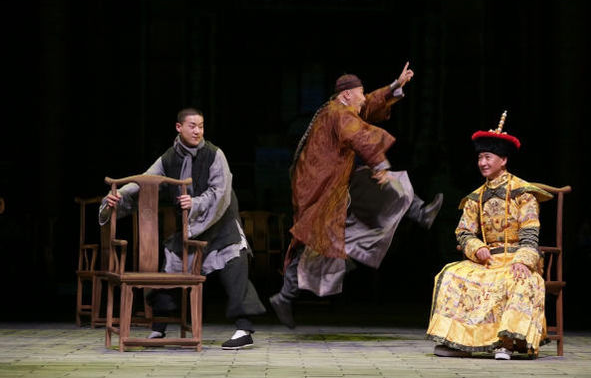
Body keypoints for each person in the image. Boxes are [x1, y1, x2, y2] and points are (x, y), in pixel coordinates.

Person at [269, 62, 444, 328]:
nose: (363, 98)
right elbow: (359, 135)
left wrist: (395, 86)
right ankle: (285, 296)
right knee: (315, 242)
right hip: (322, 188)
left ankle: (419, 211)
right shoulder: (338, 113)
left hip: (338, 182)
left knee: (380, 190)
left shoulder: (341, 109)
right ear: (346, 94)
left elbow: (369, 104)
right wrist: (379, 163)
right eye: (360, 93)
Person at [99, 108, 266, 349]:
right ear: (179, 127)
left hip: (220, 223)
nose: (198, 131)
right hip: (192, 228)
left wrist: (195, 203)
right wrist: (117, 196)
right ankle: (159, 328)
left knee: (234, 266)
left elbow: (220, 192)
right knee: (171, 264)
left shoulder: (214, 154)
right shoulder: (169, 158)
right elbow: (144, 181)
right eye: (192, 126)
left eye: (201, 126)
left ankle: (244, 328)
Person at [425, 111, 551, 360]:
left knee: (518, 279)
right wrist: (476, 247)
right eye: (480, 158)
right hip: (488, 260)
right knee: (451, 274)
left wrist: (524, 261)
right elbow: (463, 231)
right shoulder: (476, 197)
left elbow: (530, 232)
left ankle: (507, 343)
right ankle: (460, 342)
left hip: (516, 257)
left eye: (488, 157)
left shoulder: (523, 192)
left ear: (503, 160)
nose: (482, 163)